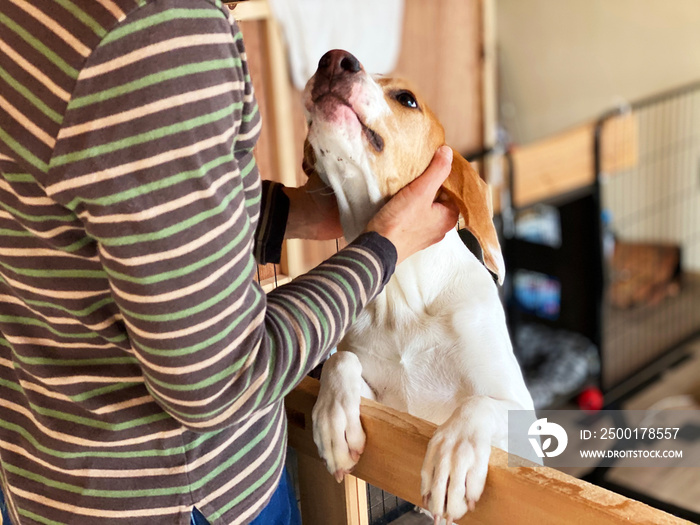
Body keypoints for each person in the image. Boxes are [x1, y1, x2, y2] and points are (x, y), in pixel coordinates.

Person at [0, 1, 458, 523]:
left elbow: (119, 208)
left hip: (40, 472)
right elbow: (221, 379)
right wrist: (382, 248)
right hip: (182, 496)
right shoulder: (160, 35)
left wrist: (292, 216)